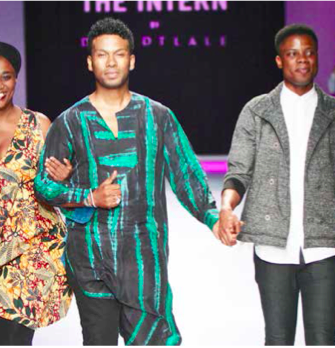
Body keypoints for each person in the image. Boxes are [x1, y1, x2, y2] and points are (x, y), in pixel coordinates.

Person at [34, 18, 220, 345]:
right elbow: (45, 187)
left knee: (155, 340)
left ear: (131, 60)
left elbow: (186, 173)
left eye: (118, 54)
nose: (110, 62)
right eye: (102, 55)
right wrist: (89, 195)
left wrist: (212, 217)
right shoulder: (70, 121)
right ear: (90, 62)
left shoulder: (157, 116)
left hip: (144, 260)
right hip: (90, 259)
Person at [218, 24, 335, 345]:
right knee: (278, 339)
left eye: (308, 52)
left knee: (323, 340)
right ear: (279, 61)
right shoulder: (257, 112)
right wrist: (227, 207)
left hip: (324, 245)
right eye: (292, 53)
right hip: (273, 248)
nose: (302, 60)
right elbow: (238, 172)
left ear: (316, 57)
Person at [0, 40, 73, 345]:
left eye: (5, 76)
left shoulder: (38, 126)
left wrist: (64, 180)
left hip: (28, 252)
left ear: (16, 79)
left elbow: (53, 190)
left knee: (6, 338)